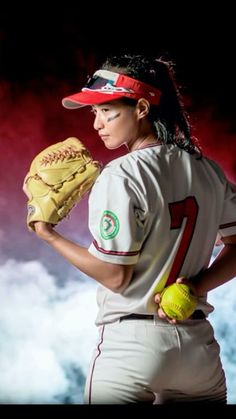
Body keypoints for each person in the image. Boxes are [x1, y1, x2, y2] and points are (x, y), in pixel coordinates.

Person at [33, 54, 236, 404]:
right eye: (94, 112)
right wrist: (196, 286)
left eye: (107, 110)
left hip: (132, 346)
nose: (97, 123)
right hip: (197, 348)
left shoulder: (121, 173)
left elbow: (115, 277)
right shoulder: (209, 170)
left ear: (141, 107)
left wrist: (47, 233)